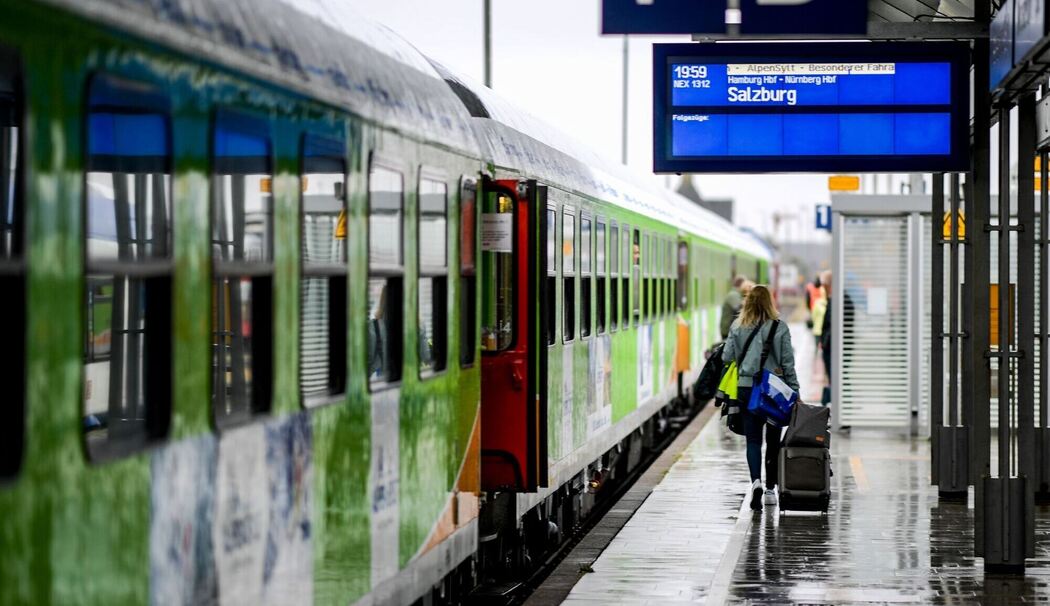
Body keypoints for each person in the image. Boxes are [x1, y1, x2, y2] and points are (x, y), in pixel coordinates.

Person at [722, 284, 800, 511]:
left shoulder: (738, 326)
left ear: (747, 302)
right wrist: (795, 392)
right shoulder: (780, 327)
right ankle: (769, 490)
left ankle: (755, 481)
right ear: (769, 302)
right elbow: (788, 364)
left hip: (747, 389)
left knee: (753, 440)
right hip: (774, 393)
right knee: (773, 441)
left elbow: (727, 357)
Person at [819, 270, 853, 407]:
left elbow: (833, 326)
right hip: (834, 348)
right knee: (838, 378)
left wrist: (826, 342)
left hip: (836, 349)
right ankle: (841, 409)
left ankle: (843, 409)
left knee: (839, 378)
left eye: (824, 286)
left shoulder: (839, 301)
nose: (823, 289)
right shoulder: (838, 299)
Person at [720, 275, 748, 339]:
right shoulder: (733, 295)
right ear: (741, 284)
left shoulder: (735, 294)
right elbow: (739, 309)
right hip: (727, 330)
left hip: (729, 329)